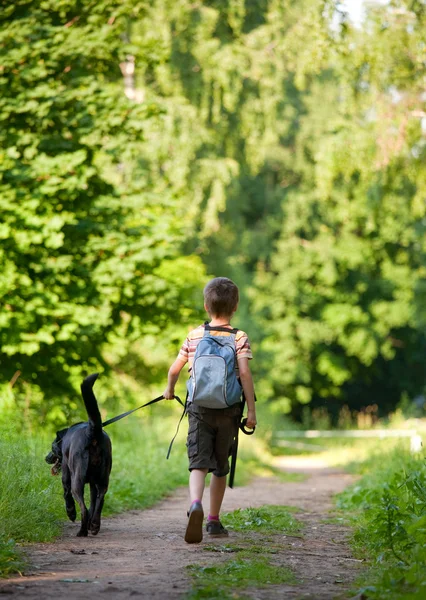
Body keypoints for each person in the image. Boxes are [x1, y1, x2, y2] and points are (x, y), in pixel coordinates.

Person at [163, 277, 257, 544]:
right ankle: (213, 521)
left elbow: (174, 369)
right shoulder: (239, 337)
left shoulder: (194, 335)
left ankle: (195, 503)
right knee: (220, 465)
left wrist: (170, 389)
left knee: (198, 462)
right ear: (235, 307)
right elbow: (245, 373)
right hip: (229, 410)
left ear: (206, 306)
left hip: (199, 408)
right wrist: (251, 411)